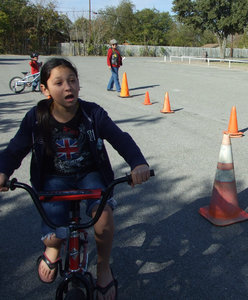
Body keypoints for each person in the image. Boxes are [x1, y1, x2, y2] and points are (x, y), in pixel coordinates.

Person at [0, 58, 150, 300]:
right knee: (53, 233)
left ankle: (103, 269)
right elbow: (15, 148)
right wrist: (3, 171)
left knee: (103, 218)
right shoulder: (36, 117)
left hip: (90, 174)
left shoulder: (93, 113)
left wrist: (138, 163)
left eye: (72, 80)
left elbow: (120, 138)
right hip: (53, 178)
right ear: (45, 89)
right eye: (58, 83)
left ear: (79, 85)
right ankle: (52, 247)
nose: (68, 87)